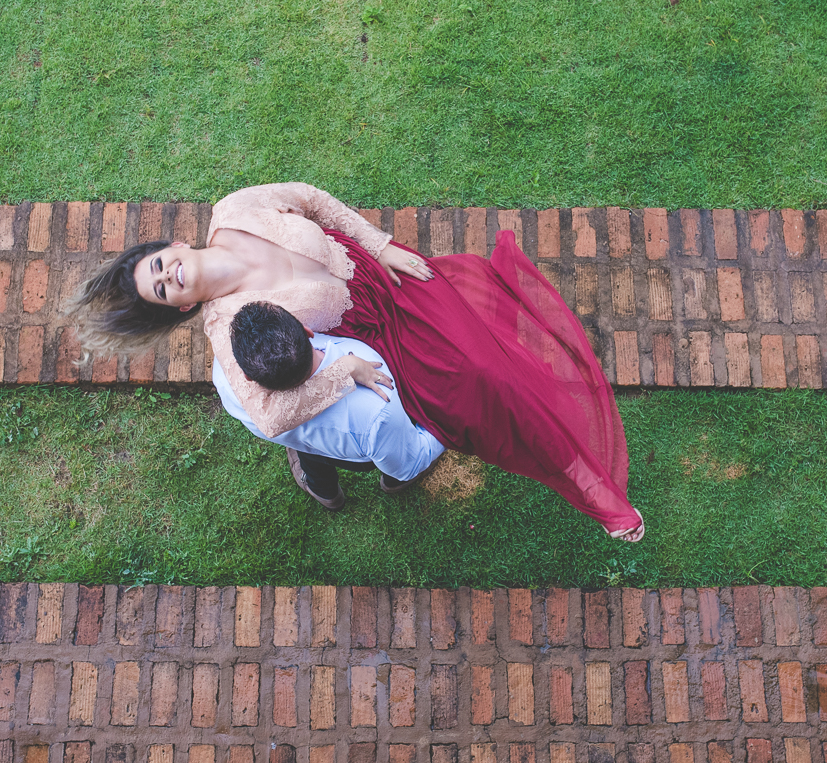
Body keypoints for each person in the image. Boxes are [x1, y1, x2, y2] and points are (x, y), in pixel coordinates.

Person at [66, 182, 644, 541]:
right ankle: (588, 484)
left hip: (392, 274)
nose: (169, 277)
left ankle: (552, 427)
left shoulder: (235, 209)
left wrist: (380, 243)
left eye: (159, 267)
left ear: (170, 248)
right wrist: (346, 373)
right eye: (162, 291)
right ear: (178, 308)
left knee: (489, 340)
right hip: (383, 334)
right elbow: (268, 416)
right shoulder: (227, 326)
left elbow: (312, 201)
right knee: (484, 384)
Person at [218, 300, 445, 509]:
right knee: (395, 452)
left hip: (307, 440)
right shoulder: (378, 408)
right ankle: (393, 483)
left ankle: (326, 494)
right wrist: (444, 424)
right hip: (362, 449)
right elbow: (409, 462)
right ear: (307, 331)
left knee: (307, 451)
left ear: (247, 377)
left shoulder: (224, 377)